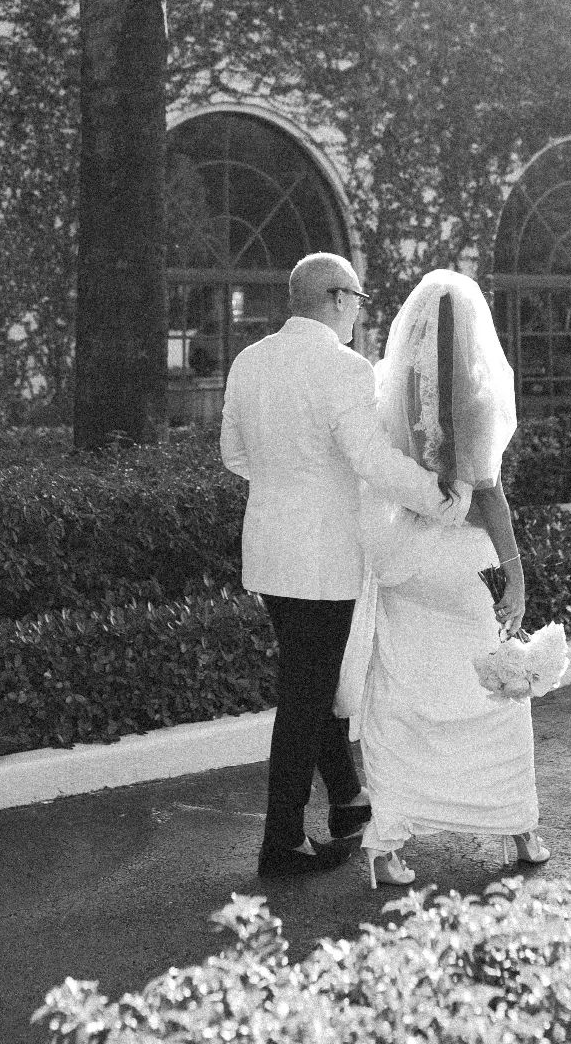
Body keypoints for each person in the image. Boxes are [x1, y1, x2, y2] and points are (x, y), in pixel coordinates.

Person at [220, 252, 472, 879]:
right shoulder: (344, 369)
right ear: (335, 298)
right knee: (306, 697)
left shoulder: (248, 362)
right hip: (323, 560)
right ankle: (280, 844)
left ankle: (347, 801)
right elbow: (370, 459)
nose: (360, 312)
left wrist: (289, 486)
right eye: (357, 300)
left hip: (268, 553)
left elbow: (234, 454)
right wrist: (434, 493)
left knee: (315, 681)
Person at [337, 268, 550, 889]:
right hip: (455, 565)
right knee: (492, 696)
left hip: (401, 559)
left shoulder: (386, 386)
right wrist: (514, 577)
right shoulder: (478, 396)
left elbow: (372, 474)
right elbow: (491, 497)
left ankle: (388, 844)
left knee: (401, 694)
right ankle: (519, 827)